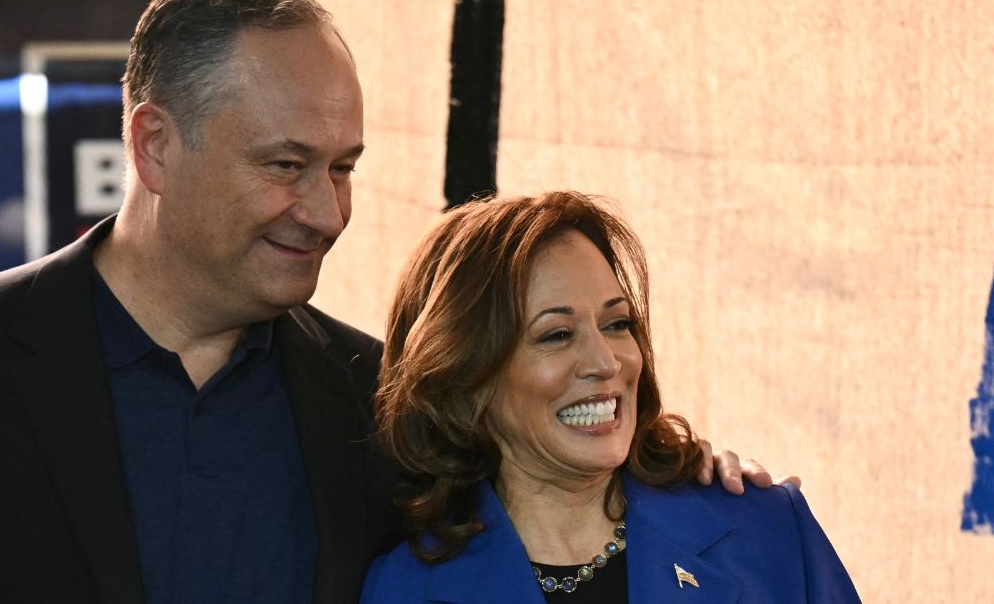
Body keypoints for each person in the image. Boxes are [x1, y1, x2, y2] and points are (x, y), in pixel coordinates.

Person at [0, 0, 780, 603]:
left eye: (344, 166)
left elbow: (558, 518)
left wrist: (690, 484)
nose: (326, 209)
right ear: (153, 144)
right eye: (286, 165)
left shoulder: (379, 399)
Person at [362, 192, 859, 603]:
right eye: (556, 335)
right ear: (464, 378)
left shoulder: (768, 530)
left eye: (617, 324)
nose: (607, 362)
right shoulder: (401, 589)